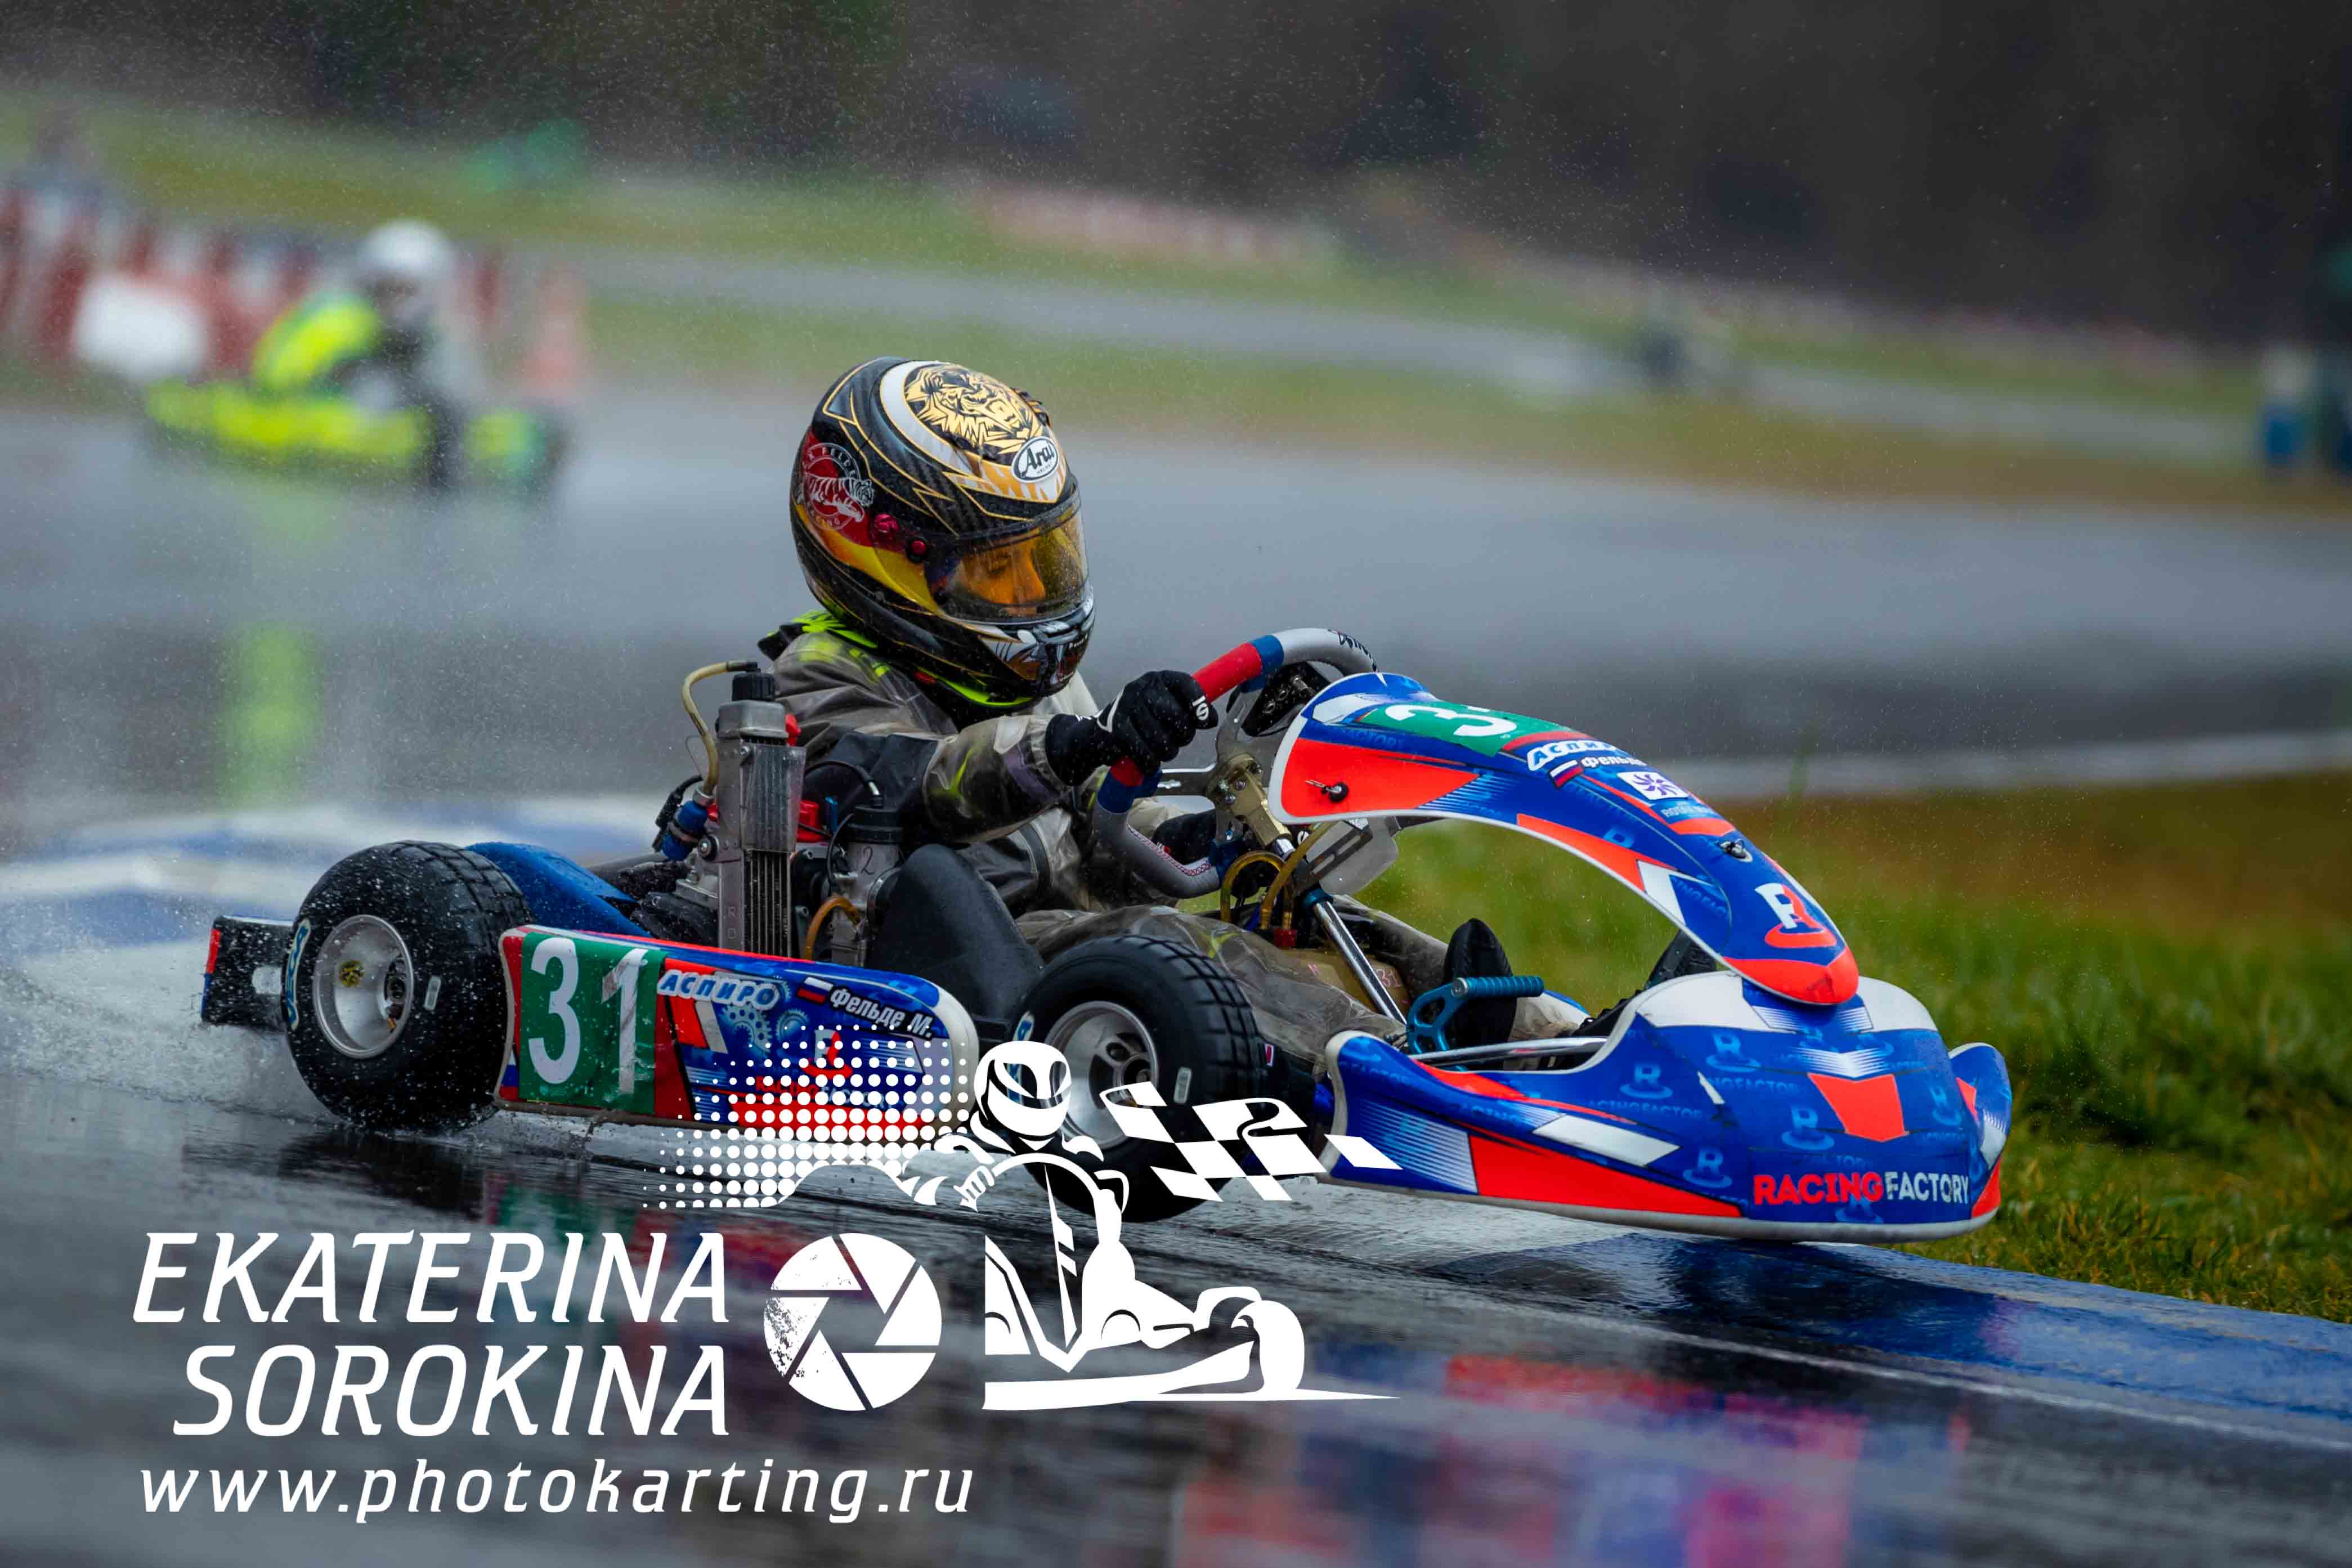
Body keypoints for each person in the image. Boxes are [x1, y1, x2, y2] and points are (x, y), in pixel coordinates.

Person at [757, 356, 1576, 1067]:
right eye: (996, 573)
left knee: (1306, 909)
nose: (1032, 594)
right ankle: (1412, 1074)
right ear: (883, 555)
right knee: (1174, 939)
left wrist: (1186, 837)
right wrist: (1078, 740)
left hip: (1070, 936)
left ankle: (1559, 1042)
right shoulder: (820, 674)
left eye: (1042, 562)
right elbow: (933, 784)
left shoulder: (1022, 686)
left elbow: (1096, 831)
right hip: (937, 968)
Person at [247, 219, 478, 482]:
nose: (394, 302)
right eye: (387, 288)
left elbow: (460, 409)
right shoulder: (338, 323)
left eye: (404, 290)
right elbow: (273, 395)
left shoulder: (438, 341)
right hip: (305, 451)